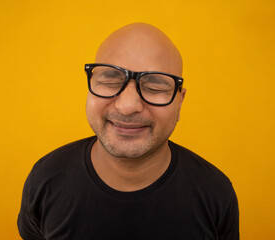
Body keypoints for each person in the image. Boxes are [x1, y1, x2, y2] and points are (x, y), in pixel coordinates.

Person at [17, 23, 239, 240]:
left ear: (179, 102)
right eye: (111, 80)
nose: (128, 105)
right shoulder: (45, 180)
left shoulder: (216, 195)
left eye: (155, 86)